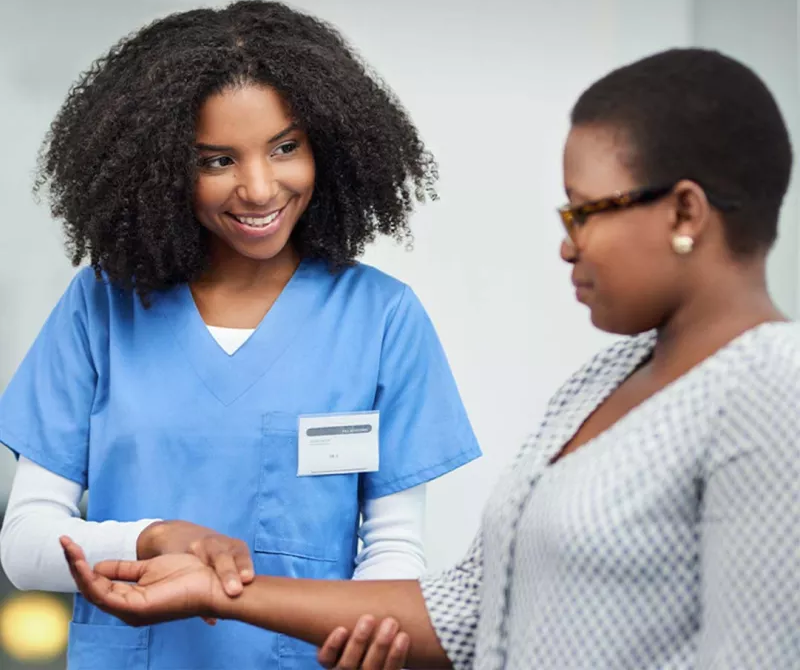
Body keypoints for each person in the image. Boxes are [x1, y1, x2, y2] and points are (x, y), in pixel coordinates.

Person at [62, 47, 799, 670]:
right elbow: (467, 611)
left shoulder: (772, 389)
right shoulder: (602, 382)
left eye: (584, 211)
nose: (567, 243)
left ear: (684, 213)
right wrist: (211, 591)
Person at [0, 0, 482, 670]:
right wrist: (152, 539)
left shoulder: (382, 318)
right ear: (163, 167)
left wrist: (367, 633)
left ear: (330, 146)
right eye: (217, 160)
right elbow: (24, 546)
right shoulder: (101, 306)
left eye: (286, 148)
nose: (259, 188)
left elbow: (394, 548)